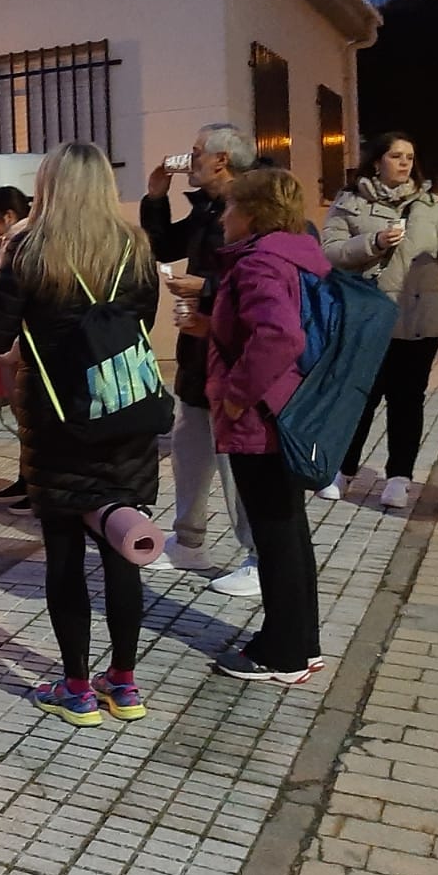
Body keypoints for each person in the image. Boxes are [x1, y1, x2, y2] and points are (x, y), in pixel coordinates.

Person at [0, 143, 159, 726]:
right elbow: (143, 320)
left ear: (49, 186)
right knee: (123, 547)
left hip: (58, 419)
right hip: (125, 411)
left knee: (64, 553)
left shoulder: (30, 249)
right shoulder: (134, 246)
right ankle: (125, 684)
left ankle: (77, 688)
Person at [206, 168, 327, 684]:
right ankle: (302, 642)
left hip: (263, 417)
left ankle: (281, 653)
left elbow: (279, 335)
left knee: (275, 533)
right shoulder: (297, 253)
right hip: (293, 409)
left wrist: (234, 398)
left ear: (251, 213)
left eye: (229, 207)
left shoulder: (258, 263)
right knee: (290, 531)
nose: (223, 216)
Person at [140, 123, 259, 595]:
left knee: (236, 457)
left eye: (195, 153)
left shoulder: (253, 206)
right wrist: (154, 196)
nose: (187, 160)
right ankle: (188, 542)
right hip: (197, 349)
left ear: (221, 159)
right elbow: (165, 246)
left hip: (233, 354)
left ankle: (258, 555)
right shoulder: (208, 207)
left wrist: (203, 288)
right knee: (190, 445)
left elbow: (260, 277)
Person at [321, 132, 438, 508]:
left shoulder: (428, 204)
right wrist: (374, 244)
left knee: (408, 400)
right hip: (371, 315)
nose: (404, 163)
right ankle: (343, 470)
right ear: (376, 161)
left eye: (409, 157)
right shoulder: (350, 201)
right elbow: (330, 252)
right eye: (396, 156)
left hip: (420, 314)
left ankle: (399, 478)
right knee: (362, 397)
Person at [0, 185, 32, 509]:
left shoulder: (21, 241)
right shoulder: (10, 240)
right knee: (22, 417)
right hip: (11, 344)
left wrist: (8, 347)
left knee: (27, 416)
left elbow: (15, 298)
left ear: (8, 216)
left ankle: (34, 485)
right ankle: (26, 478)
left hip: (17, 345)